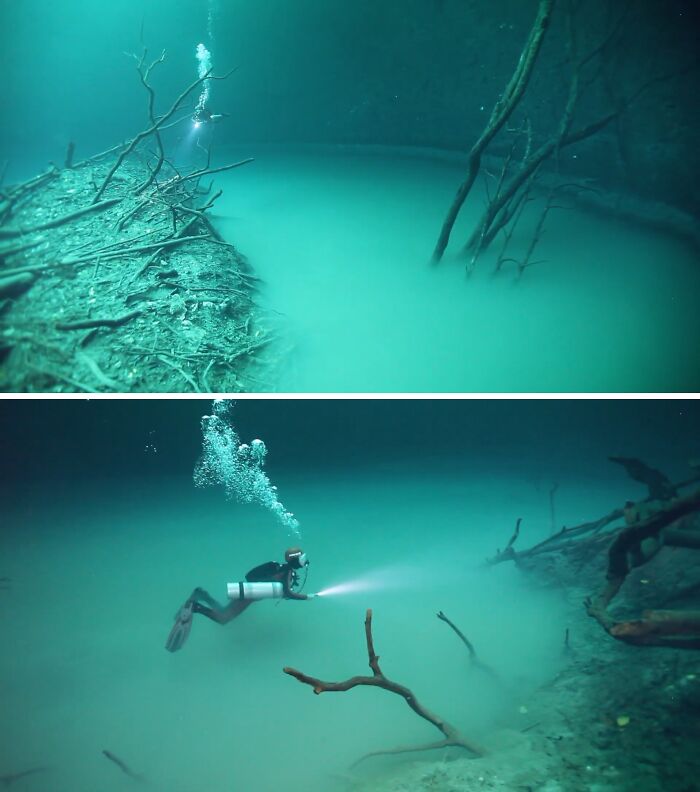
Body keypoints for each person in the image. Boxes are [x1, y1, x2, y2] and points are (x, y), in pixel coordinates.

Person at [165, 547, 313, 653]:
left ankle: (201, 594)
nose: (304, 561)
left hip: (249, 593)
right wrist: (306, 597)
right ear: (296, 560)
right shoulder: (287, 572)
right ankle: (195, 606)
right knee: (224, 618)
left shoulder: (280, 567)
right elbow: (288, 593)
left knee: (224, 612)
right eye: (302, 558)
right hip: (249, 596)